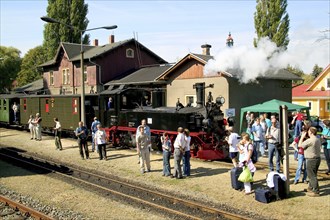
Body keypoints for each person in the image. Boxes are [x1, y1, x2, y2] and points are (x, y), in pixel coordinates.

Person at [299, 127, 321, 197]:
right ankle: (310, 188)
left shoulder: (310, 140)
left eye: (308, 131)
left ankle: (316, 191)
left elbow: (300, 145)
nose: (307, 132)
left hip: (311, 159)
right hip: (317, 158)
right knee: (313, 174)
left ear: (311, 132)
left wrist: (302, 137)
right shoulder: (317, 139)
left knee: (312, 176)